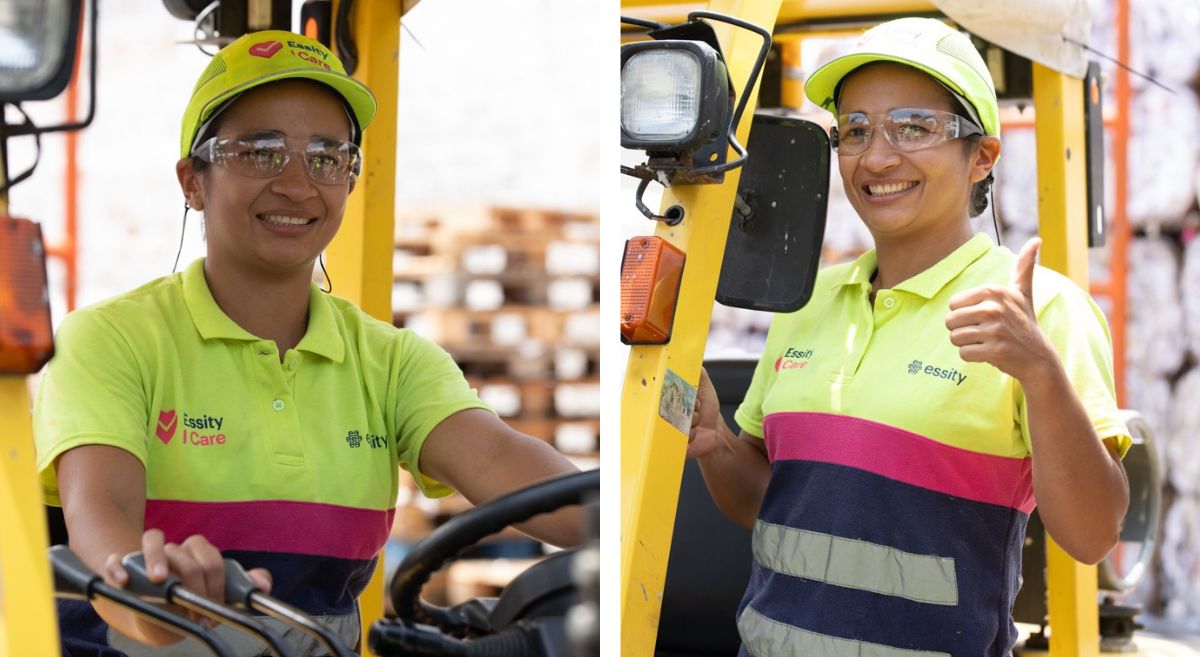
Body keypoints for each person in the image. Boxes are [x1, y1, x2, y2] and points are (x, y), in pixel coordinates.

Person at [34, 30, 581, 657]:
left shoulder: (393, 363)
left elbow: (510, 471)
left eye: (326, 157)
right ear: (193, 181)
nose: (296, 185)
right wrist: (153, 601)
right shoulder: (112, 340)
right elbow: (100, 520)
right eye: (261, 152)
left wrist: (616, 509)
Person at [687, 17, 1130, 655]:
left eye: (914, 127)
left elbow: (1093, 536)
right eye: (856, 130)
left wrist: (1040, 373)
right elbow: (775, 507)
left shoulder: (1044, 312)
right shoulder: (806, 301)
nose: (877, 157)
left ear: (981, 156)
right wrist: (716, 446)